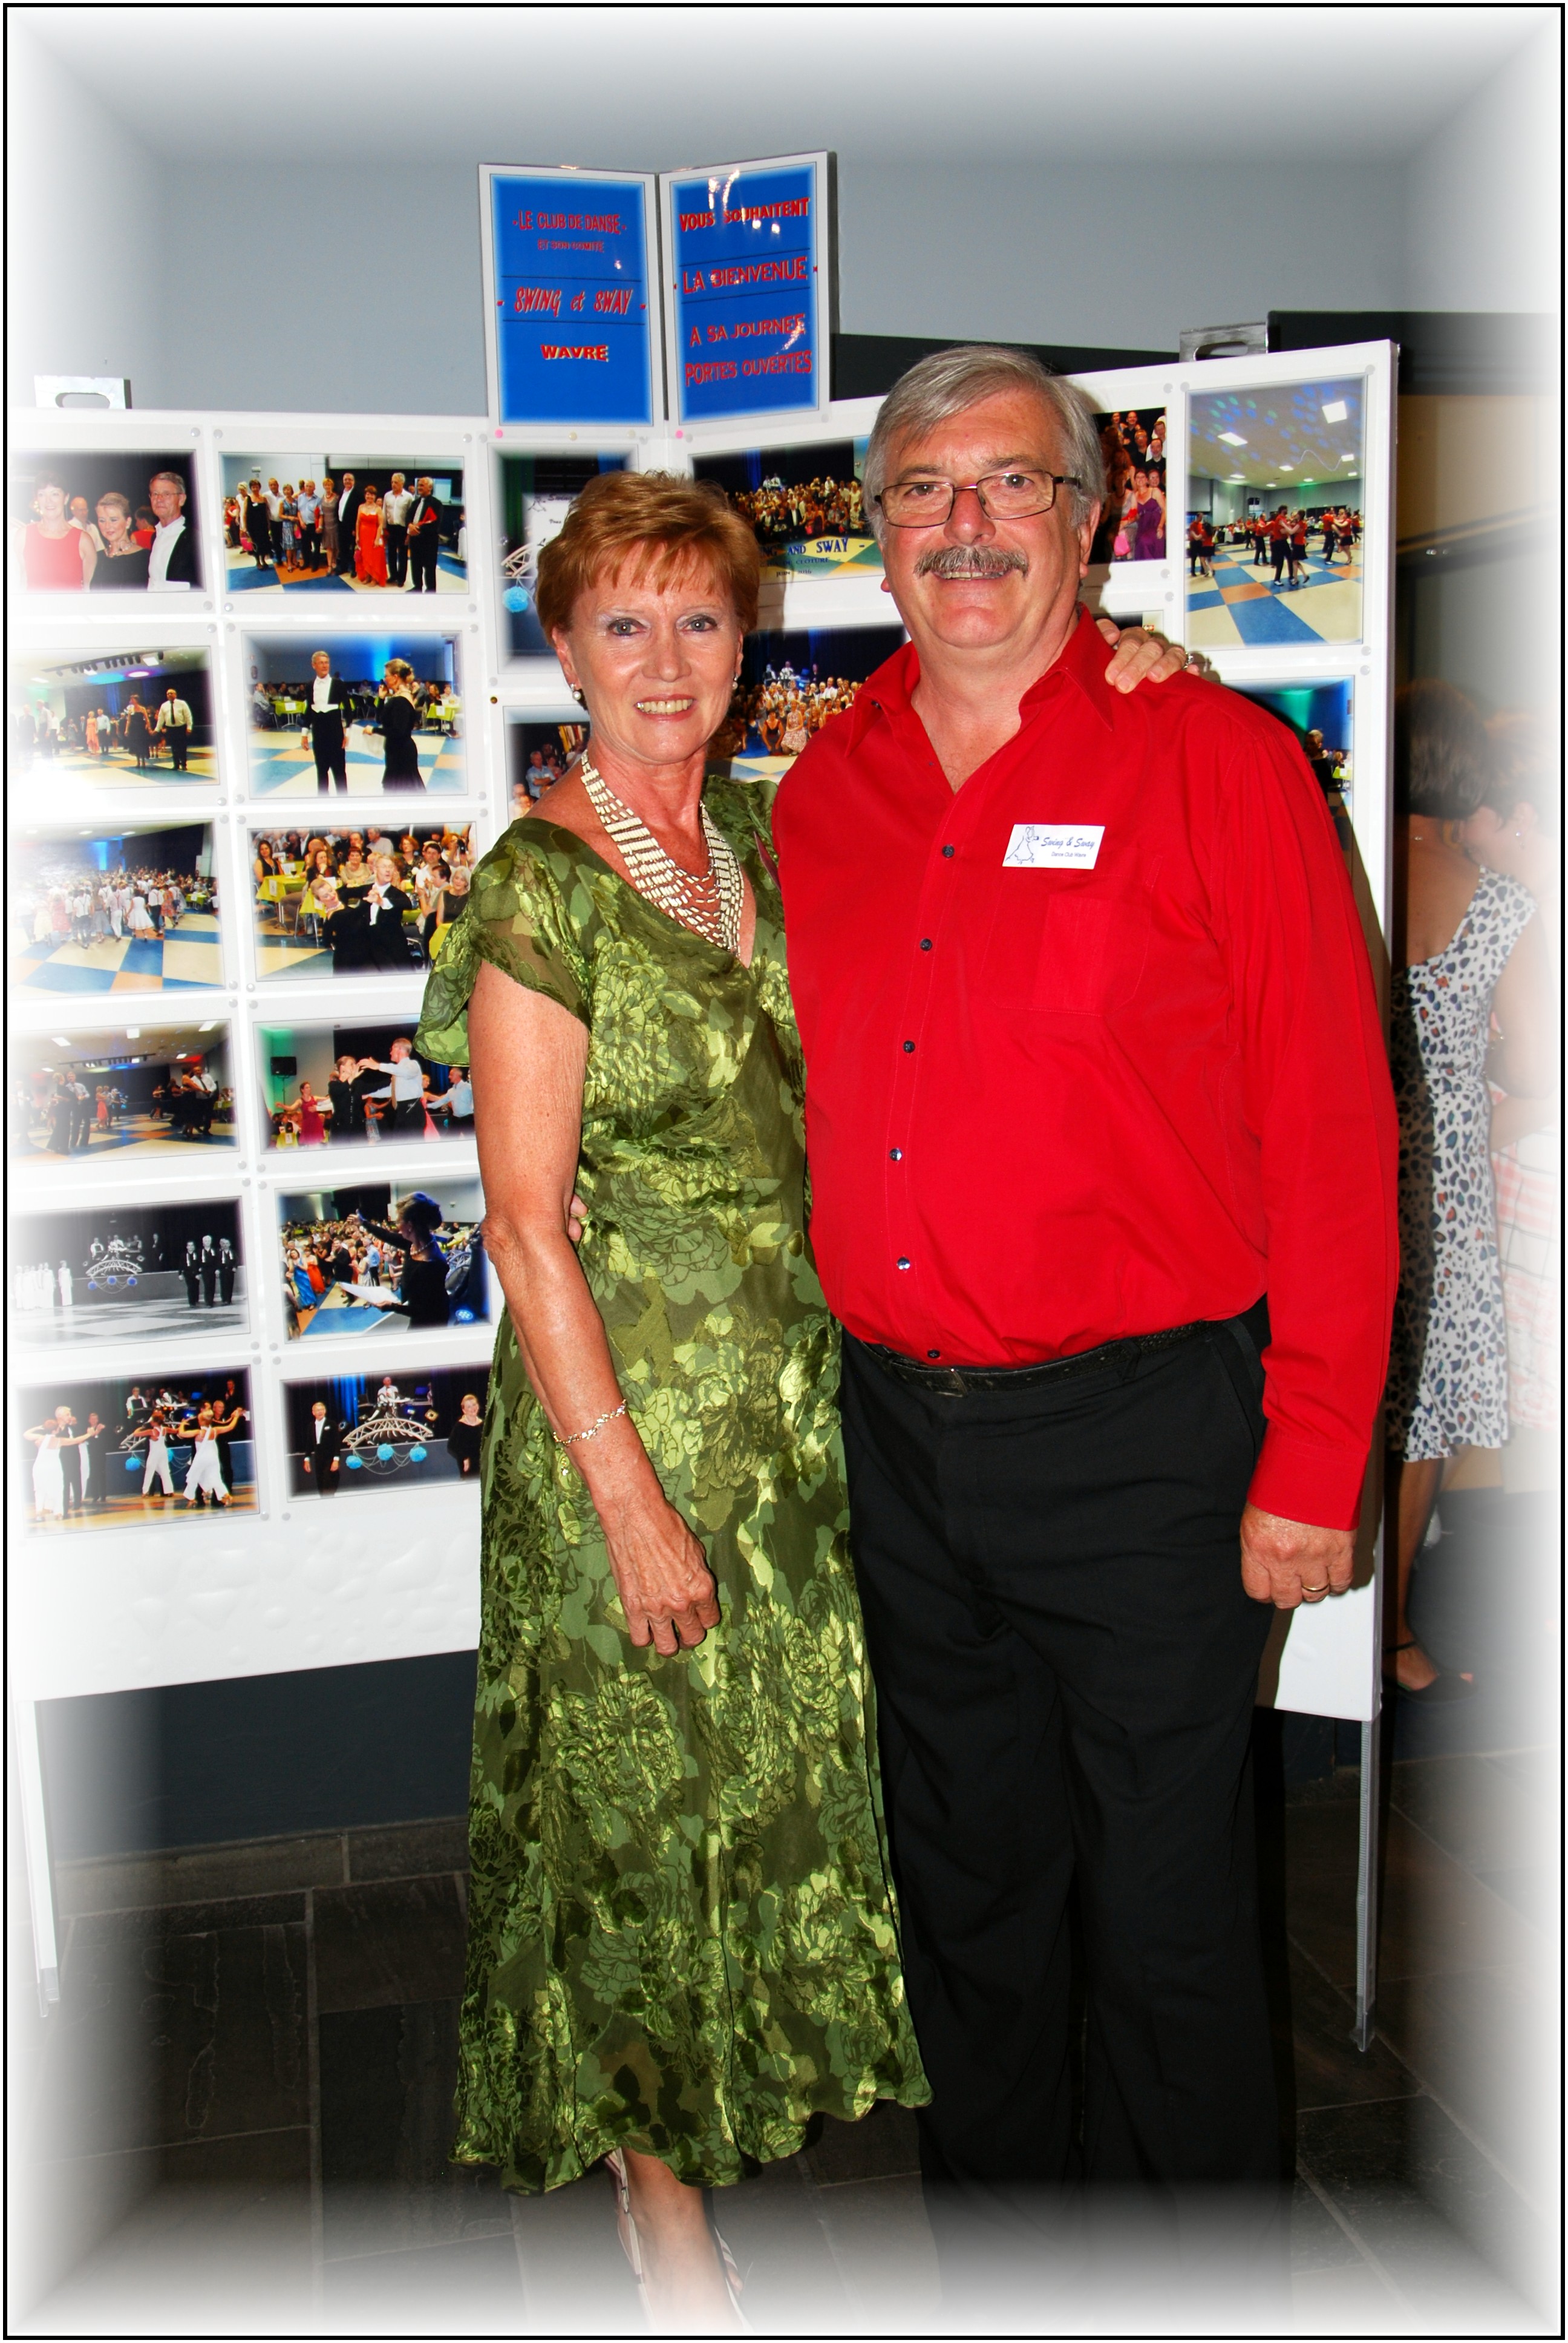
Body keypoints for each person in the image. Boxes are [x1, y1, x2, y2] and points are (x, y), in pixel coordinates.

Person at [770, 345, 1399, 2294]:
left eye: (1008, 483)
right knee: (969, 1900)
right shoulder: (824, 790)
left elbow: (1335, 1132)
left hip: (1147, 1446)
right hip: (901, 1440)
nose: (964, 525)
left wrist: (1316, 1457)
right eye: (921, 490)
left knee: (1169, 1917)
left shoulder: (1216, 761)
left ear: (1091, 512)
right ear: (876, 531)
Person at [1384, 683, 1553, 1697]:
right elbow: (1533, 1059)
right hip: (1441, 1173)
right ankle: (1394, 1634)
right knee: (1424, 1408)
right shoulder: (1493, 902)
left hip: (1348, 1152)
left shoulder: (1349, 867)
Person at [18, 472, 96, 589]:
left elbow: (89, 591)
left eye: (55, 494)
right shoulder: (23, 536)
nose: (48, 501)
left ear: (66, 498)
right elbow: (20, 585)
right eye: (42, 495)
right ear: (37, 499)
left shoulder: (83, 541)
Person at [26, 1407, 90, 1521]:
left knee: (40, 1490)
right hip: (54, 1467)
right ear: (56, 1430)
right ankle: (59, 1513)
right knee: (59, 1489)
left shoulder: (41, 1438)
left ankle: (39, 1511)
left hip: (39, 1467)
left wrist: (38, 1428)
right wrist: (89, 1434)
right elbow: (76, 1440)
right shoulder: (59, 1441)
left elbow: (26, 1435)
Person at [305, 649, 351, 794]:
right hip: (318, 735)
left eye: (327, 663)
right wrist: (304, 734)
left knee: (340, 773)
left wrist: (348, 733)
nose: (325, 666)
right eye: (321, 663)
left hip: (336, 735)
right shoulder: (309, 685)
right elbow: (308, 710)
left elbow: (348, 709)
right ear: (314, 665)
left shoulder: (338, 684)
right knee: (321, 772)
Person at [87, 490, 151, 588]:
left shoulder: (144, 558)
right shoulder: (96, 558)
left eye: (114, 520)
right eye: (102, 521)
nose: (107, 526)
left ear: (128, 522)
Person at [146, 470, 198, 590]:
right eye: (155, 494)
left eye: (166, 494)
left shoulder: (195, 539)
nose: (159, 499)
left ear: (181, 499)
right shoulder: (155, 537)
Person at [378, 660, 423, 789]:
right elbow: (380, 719)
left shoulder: (400, 700)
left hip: (401, 752)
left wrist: (374, 731)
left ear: (395, 677)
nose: (385, 679)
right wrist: (381, 699)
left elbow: (399, 731)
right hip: (395, 750)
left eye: (386, 676)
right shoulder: (398, 696)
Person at [407, 476, 443, 591]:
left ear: (430, 487)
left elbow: (436, 523)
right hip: (415, 540)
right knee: (415, 565)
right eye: (418, 485)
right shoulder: (415, 503)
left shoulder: (437, 504)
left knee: (429, 568)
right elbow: (408, 516)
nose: (419, 488)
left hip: (429, 541)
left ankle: (430, 591)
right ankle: (417, 587)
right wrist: (410, 525)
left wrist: (417, 529)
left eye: (422, 485)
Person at [302, 1398, 344, 1494]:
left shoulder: (332, 1424)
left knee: (329, 1485)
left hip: (330, 1459)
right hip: (318, 1460)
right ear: (313, 1413)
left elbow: (337, 1443)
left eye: (322, 1409)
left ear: (325, 1411)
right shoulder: (311, 1426)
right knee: (320, 1485)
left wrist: (336, 1460)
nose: (320, 1412)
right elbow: (309, 1444)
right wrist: (307, 1459)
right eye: (317, 1410)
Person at [382, 472, 414, 586]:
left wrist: (409, 533)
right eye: (392, 482)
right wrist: (384, 528)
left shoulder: (409, 497)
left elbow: (412, 515)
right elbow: (384, 512)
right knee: (391, 553)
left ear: (402, 483)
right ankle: (393, 575)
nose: (393, 484)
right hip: (390, 528)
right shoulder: (387, 496)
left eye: (396, 482)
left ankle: (401, 578)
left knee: (403, 554)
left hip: (403, 529)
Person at [155, 684, 194, 770]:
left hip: (181, 728)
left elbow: (188, 716)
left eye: (171, 693)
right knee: (174, 747)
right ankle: (176, 764)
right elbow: (161, 718)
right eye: (168, 694)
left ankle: (184, 764)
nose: (169, 695)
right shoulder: (164, 705)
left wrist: (189, 727)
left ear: (175, 695)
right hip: (170, 729)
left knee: (182, 747)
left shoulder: (182, 703)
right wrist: (157, 729)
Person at [355, 485, 388, 586]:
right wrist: (357, 536)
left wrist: (377, 539)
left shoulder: (378, 509)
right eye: (368, 494)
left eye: (372, 495)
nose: (370, 497)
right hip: (363, 535)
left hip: (374, 535)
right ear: (365, 495)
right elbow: (358, 522)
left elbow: (380, 525)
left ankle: (375, 578)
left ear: (375, 496)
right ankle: (367, 576)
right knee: (365, 557)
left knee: (374, 557)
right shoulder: (361, 507)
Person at [446, 1390, 483, 1476]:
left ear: (478, 1406)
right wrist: (464, 1458)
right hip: (468, 1466)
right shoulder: (460, 1426)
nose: (473, 1408)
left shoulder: (483, 1424)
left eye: (474, 1405)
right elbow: (451, 1447)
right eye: (469, 1407)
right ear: (464, 1410)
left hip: (484, 1464)